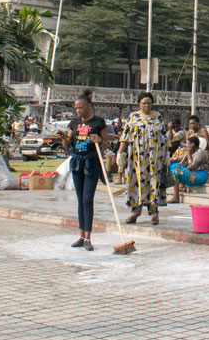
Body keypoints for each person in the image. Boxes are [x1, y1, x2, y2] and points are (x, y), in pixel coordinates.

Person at [68, 92, 110, 251]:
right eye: (76, 108)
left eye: (81, 107)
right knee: (80, 200)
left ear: (89, 106)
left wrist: (99, 140)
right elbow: (68, 143)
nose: (78, 110)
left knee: (87, 199)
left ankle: (88, 237)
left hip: (92, 163)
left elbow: (105, 144)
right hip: (77, 163)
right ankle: (80, 236)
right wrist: (64, 139)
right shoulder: (74, 122)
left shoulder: (99, 122)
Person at [118, 92, 166, 225]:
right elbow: (125, 136)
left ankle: (154, 213)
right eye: (144, 103)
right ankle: (135, 212)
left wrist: (166, 155)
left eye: (149, 103)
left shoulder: (158, 117)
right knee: (136, 182)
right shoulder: (133, 117)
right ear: (139, 103)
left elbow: (164, 137)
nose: (146, 105)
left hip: (154, 157)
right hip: (137, 157)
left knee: (153, 183)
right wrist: (119, 153)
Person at [170, 135, 209, 203]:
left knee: (175, 171)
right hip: (192, 173)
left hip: (200, 176)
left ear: (192, 145)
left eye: (188, 144)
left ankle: (176, 197)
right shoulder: (192, 151)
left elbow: (191, 166)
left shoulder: (200, 152)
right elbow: (179, 159)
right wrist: (169, 160)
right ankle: (181, 186)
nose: (186, 146)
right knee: (174, 165)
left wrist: (189, 154)